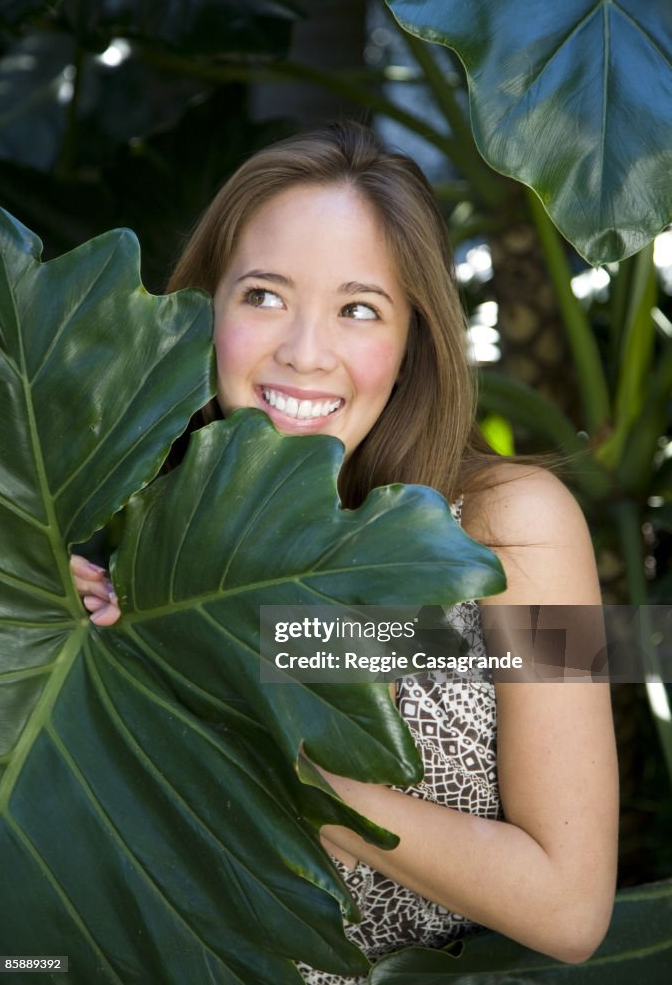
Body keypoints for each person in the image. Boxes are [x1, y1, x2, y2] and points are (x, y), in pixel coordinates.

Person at [70, 122, 618, 982]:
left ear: (413, 342)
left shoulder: (520, 527)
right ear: (204, 308)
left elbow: (571, 907)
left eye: (359, 309)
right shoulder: (120, 527)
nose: (304, 351)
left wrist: (270, 756)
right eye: (262, 295)